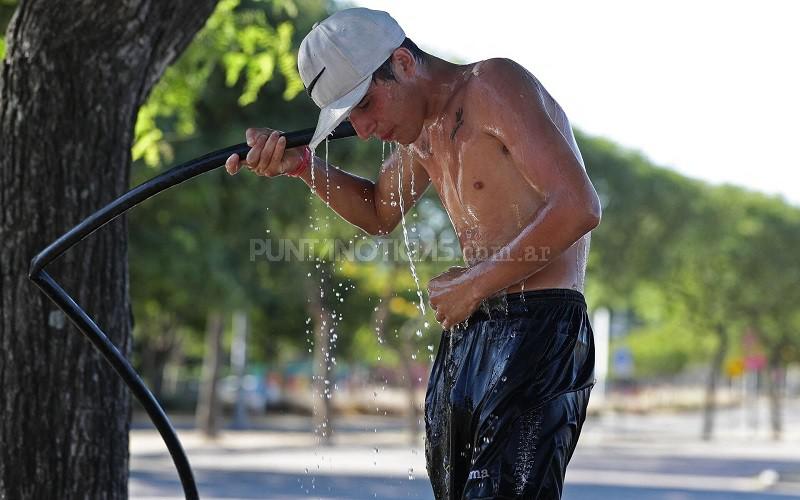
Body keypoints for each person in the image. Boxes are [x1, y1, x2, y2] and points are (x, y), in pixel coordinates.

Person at [226, 7, 601, 499]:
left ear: (402, 63)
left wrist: (473, 284)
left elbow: (578, 206)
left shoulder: (493, 85)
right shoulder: (423, 130)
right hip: (472, 328)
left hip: (540, 328)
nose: (361, 129)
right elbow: (380, 213)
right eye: (348, 116)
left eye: (363, 104)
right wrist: (303, 167)